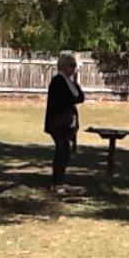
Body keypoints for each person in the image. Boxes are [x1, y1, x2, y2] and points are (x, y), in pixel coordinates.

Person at [44, 53, 85, 194]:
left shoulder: (69, 81)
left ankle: (59, 182)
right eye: (71, 65)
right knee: (62, 151)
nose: (73, 69)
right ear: (64, 66)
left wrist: (75, 82)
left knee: (65, 152)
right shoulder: (58, 81)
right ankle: (56, 184)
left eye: (74, 66)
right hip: (58, 123)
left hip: (66, 123)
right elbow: (68, 99)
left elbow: (80, 98)